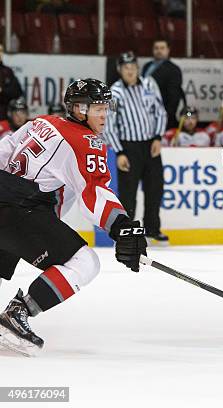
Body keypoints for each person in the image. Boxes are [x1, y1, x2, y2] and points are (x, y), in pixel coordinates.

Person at [0, 78, 147, 356]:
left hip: (6, 198)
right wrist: (121, 225)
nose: (104, 114)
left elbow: (5, 150)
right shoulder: (85, 141)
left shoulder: (40, 122)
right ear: (79, 109)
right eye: (98, 108)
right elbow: (93, 193)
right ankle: (18, 312)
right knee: (85, 262)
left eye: (106, 107)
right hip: (19, 209)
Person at [105, 51, 169, 245]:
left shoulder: (149, 85)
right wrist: (119, 152)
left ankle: (152, 229)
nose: (130, 71)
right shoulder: (114, 93)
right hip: (128, 148)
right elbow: (109, 123)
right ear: (120, 70)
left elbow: (160, 112)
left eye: (133, 67)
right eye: (126, 68)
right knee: (128, 193)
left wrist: (158, 137)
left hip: (151, 145)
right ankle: (128, 232)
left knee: (155, 189)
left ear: (138, 68)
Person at [142, 39, 185, 129]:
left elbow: (174, 97)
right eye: (156, 48)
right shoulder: (146, 66)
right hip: (145, 113)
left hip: (162, 115)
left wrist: (166, 116)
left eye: (162, 48)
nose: (159, 51)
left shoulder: (173, 69)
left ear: (168, 50)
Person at [0, 43, 23, 121]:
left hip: (4, 117)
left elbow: (17, 91)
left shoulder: (7, 71)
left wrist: (2, 90)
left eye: (1, 51)